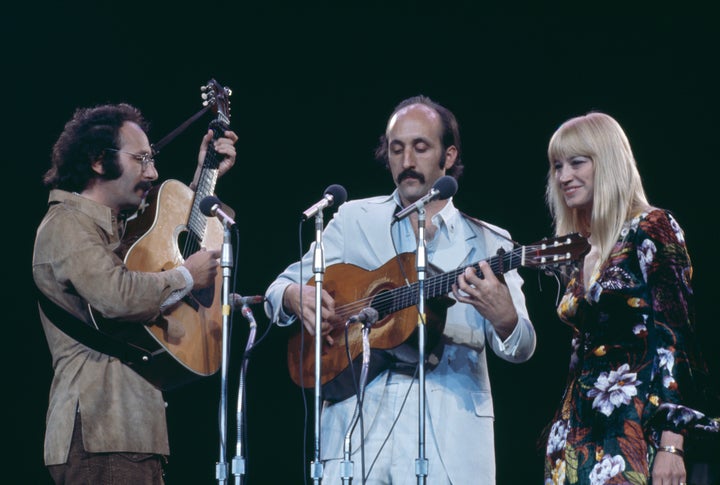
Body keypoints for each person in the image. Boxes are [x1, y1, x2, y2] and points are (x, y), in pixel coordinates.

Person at [264, 95, 536, 484]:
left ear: (448, 155)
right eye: (397, 149)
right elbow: (280, 288)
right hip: (355, 439)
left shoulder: (489, 242)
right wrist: (296, 297)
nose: (407, 161)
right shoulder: (354, 218)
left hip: (448, 440)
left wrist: (505, 317)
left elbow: (523, 346)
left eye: (420, 147)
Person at [32, 103, 238, 484]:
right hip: (101, 428)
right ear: (98, 160)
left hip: (127, 433)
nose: (153, 172)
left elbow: (159, 263)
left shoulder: (116, 234)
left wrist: (203, 181)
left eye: (152, 159)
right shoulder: (67, 225)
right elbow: (119, 296)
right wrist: (187, 277)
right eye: (141, 159)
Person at [541, 112, 719, 485]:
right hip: (574, 433)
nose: (563, 176)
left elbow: (678, 344)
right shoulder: (576, 250)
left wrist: (672, 442)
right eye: (557, 166)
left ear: (607, 162)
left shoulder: (652, 228)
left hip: (636, 429)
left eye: (577, 162)